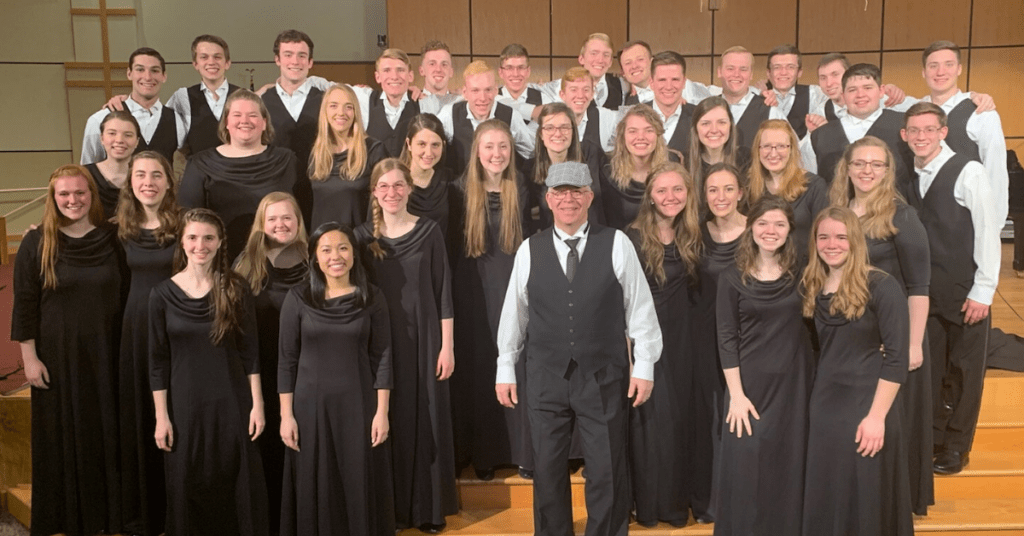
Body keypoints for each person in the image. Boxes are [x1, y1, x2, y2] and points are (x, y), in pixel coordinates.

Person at [495, 161, 662, 536]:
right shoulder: (529, 250)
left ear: (589, 196)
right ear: (549, 199)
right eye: (560, 192)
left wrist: (644, 365)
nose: (568, 199)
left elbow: (640, 310)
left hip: (603, 374)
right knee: (548, 470)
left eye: (576, 191)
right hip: (545, 376)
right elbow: (514, 315)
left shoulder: (617, 243)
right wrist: (505, 367)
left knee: (606, 469)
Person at [13, 165, 125, 536]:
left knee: (105, 433)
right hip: (56, 357)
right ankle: (66, 517)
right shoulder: (37, 242)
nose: (73, 200)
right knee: (60, 438)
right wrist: (29, 358)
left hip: (107, 353)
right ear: (53, 198)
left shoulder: (113, 238)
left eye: (80, 193)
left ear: (92, 195)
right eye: (64, 194)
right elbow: (25, 303)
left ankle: (108, 516)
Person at [830, 136, 933, 514]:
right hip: (853, 339)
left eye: (876, 164)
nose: (867, 171)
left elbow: (919, 286)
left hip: (893, 338)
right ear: (847, 168)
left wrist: (913, 343)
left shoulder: (900, 215)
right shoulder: (838, 211)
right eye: (859, 163)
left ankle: (892, 502)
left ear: (888, 171)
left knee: (889, 423)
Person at [900, 103, 1004, 475]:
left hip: (965, 292)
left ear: (943, 132)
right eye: (914, 130)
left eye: (929, 129)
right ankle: (932, 440)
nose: (922, 136)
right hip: (928, 295)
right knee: (932, 372)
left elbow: (988, 232)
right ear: (905, 135)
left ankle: (957, 448)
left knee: (964, 373)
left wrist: (983, 290)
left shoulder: (968, 171)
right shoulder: (912, 175)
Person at [149, 208, 268, 535]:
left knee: (234, 478)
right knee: (188, 480)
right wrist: (161, 416)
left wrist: (257, 405)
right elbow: (157, 360)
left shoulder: (236, 288)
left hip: (231, 400)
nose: (200, 245)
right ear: (182, 242)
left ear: (219, 243)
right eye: (192, 238)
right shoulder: (161, 295)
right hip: (185, 404)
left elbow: (250, 351)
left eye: (208, 238)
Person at [354, 159, 457, 533]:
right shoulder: (362, 237)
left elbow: (444, 290)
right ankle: (391, 510)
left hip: (426, 338)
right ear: (374, 193)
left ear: (410, 189)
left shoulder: (429, 231)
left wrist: (447, 346)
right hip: (380, 342)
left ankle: (428, 509)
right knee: (388, 418)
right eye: (384, 186)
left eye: (399, 185)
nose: (392, 193)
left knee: (425, 417)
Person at [801, 206, 913, 536]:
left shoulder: (882, 285)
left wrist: (877, 417)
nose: (831, 244)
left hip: (868, 403)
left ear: (855, 240)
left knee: (866, 491)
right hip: (825, 404)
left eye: (840, 237)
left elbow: (896, 357)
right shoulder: (812, 286)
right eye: (823, 237)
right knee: (831, 489)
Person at [278, 222, 395, 536]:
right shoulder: (298, 298)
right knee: (316, 482)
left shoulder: (372, 297)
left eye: (343, 248)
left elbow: (382, 357)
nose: (336, 256)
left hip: (358, 406)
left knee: (356, 479)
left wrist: (382, 412)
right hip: (309, 409)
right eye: (326, 249)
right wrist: (285, 415)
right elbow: (286, 360)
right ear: (315, 257)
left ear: (354, 254)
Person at [713, 195, 815, 535]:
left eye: (779, 224)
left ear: (790, 230)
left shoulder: (803, 272)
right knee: (747, 466)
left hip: (795, 386)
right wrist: (737, 396)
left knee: (788, 465)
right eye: (763, 223)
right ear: (751, 227)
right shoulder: (731, 277)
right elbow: (727, 338)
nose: (770, 231)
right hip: (749, 388)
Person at [625, 162, 704, 527]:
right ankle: (651, 504)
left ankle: (680, 502)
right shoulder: (634, 237)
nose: (670, 197)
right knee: (653, 423)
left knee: (683, 421)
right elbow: (624, 304)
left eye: (677, 190)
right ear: (650, 197)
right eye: (662, 190)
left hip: (688, 340)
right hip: (649, 342)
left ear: (688, 193)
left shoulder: (696, 234)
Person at [451, 120, 531, 481]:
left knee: (519, 368)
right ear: (476, 152)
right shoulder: (458, 192)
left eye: (503, 146)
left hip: (516, 292)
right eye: (489, 147)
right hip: (475, 296)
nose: (496, 154)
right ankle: (485, 454)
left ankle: (521, 453)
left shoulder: (524, 189)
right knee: (482, 369)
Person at [233, 192, 309, 534]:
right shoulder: (246, 263)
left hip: (307, 371)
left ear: (298, 222)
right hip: (261, 373)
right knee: (268, 449)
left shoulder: (315, 259)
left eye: (287, 218)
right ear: (261, 225)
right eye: (272, 219)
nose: (280, 225)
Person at [114, 151, 180, 536]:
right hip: (136, 330)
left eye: (157, 175)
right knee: (143, 417)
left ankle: (178, 505)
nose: (148, 182)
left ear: (169, 183)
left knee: (177, 412)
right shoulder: (117, 228)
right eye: (140, 175)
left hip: (177, 328)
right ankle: (145, 510)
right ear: (130, 182)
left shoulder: (185, 223)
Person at [179, 89, 307, 259]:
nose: (245, 121)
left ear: (264, 122)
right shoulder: (200, 164)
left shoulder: (287, 161)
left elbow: (305, 212)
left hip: (280, 262)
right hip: (220, 262)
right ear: (226, 122)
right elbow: (189, 222)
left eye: (252, 115)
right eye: (237, 115)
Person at [919, 41, 1008, 202]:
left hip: (964, 213)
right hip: (920, 214)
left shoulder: (981, 112)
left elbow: (996, 172)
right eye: (933, 66)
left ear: (959, 69)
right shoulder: (911, 110)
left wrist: (994, 223)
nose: (941, 72)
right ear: (924, 72)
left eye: (949, 64)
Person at [806, 63, 915, 189]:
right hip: (838, 207)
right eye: (852, 90)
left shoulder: (906, 125)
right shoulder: (820, 135)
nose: (860, 95)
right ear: (843, 95)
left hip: (895, 206)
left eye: (868, 88)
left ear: (881, 91)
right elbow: (813, 182)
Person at [81, 47, 185, 164]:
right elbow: (88, 172)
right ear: (129, 74)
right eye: (140, 69)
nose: (148, 77)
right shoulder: (100, 119)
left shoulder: (177, 120)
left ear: (164, 76)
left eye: (154, 70)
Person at [308, 84, 387, 230]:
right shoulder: (317, 152)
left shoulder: (374, 150)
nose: (341, 112)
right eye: (333, 106)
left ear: (356, 112)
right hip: (322, 246)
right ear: (324, 111)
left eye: (348, 107)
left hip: (358, 244)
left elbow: (384, 206)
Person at [746, 119, 829, 258]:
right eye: (767, 146)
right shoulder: (748, 185)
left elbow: (824, 236)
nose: (773, 153)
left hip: (803, 271)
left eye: (781, 146)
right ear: (758, 150)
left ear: (791, 149)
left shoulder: (815, 186)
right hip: (760, 270)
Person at [436, 61, 535, 174]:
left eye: (488, 90)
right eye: (475, 90)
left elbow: (530, 153)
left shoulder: (511, 116)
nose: (482, 98)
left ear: (496, 90)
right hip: (460, 189)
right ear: (465, 92)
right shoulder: (449, 114)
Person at [527, 102, 607, 230]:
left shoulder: (591, 152)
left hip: (595, 236)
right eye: (549, 128)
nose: (557, 134)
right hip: (554, 241)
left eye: (564, 127)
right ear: (541, 134)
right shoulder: (532, 168)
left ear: (573, 131)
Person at [601, 104, 673, 229]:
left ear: (658, 134)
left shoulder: (673, 168)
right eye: (633, 131)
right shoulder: (605, 169)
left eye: (649, 130)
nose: (640, 137)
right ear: (623, 136)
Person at [262, 30, 324, 173]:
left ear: (310, 62)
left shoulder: (327, 101)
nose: (295, 61)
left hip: (319, 186)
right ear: (277, 59)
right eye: (288, 55)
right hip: (275, 186)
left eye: (302, 56)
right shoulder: (261, 103)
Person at [350, 48, 429, 157]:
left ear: (410, 76)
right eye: (387, 70)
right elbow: (327, 87)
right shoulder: (365, 98)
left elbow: (450, 102)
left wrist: (455, 91)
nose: (394, 77)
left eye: (400, 70)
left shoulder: (424, 103)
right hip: (374, 173)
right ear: (378, 77)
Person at [401, 113, 461, 246]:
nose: (429, 152)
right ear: (409, 144)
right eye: (421, 144)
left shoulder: (449, 180)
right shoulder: (393, 181)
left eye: (435, 145)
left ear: (443, 146)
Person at [715, 46, 786, 150]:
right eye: (730, 68)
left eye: (743, 69)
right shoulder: (707, 109)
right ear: (719, 72)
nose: (736, 74)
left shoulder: (771, 112)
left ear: (751, 74)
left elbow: (790, 153)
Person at [687, 96, 751, 203]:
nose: (714, 130)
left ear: (730, 126)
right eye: (705, 123)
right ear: (696, 128)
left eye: (721, 122)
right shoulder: (684, 164)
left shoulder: (746, 160)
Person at [541, 33, 629, 111]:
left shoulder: (623, 86)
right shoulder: (557, 88)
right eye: (594, 53)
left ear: (610, 62)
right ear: (581, 59)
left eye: (606, 55)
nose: (600, 60)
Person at [85, 110, 142, 218]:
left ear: (137, 141)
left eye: (128, 135)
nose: (119, 140)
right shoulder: (84, 175)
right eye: (112, 133)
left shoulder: (145, 178)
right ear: (102, 138)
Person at [559, 67, 619, 153]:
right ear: (562, 95)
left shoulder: (606, 117)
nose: (580, 95)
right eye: (573, 90)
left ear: (592, 94)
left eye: (586, 90)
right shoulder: (550, 119)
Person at [497, 43, 551, 123]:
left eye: (521, 67)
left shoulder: (544, 100)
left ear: (528, 71)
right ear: (500, 72)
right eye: (509, 68)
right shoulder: (490, 99)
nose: (515, 74)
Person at [419, 40, 459, 108]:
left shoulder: (462, 106)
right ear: (421, 71)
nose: (438, 69)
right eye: (432, 64)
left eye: (444, 64)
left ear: (451, 72)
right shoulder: (408, 105)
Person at [620, 40, 654, 105]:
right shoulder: (624, 102)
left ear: (652, 62)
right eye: (628, 63)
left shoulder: (674, 91)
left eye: (640, 59)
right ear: (623, 72)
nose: (634, 66)